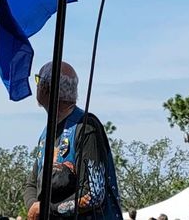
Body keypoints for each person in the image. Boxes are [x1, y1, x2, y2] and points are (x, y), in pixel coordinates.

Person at [24, 62, 122, 220]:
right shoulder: (46, 134)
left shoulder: (85, 127)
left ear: (47, 88)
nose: (37, 86)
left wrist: (48, 209)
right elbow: (32, 183)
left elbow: (94, 193)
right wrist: (34, 207)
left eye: (38, 80)